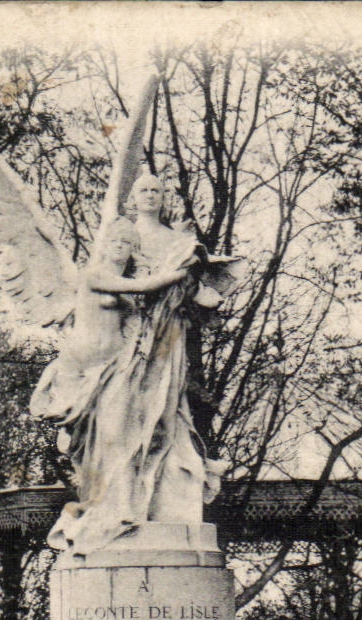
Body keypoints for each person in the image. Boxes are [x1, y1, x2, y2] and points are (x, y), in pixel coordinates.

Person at [32, 174, 225, 557]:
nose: (150, 196)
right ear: (133, 198)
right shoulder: (101, 272)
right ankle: (114, 506)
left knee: (164, 419)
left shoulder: (174, 240)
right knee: (116, 428)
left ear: (164, 197)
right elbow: (139, 291)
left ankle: (164, 496)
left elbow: (195, 296)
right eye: (143, 190)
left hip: (160, 344)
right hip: (115, 358)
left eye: (157, 190)